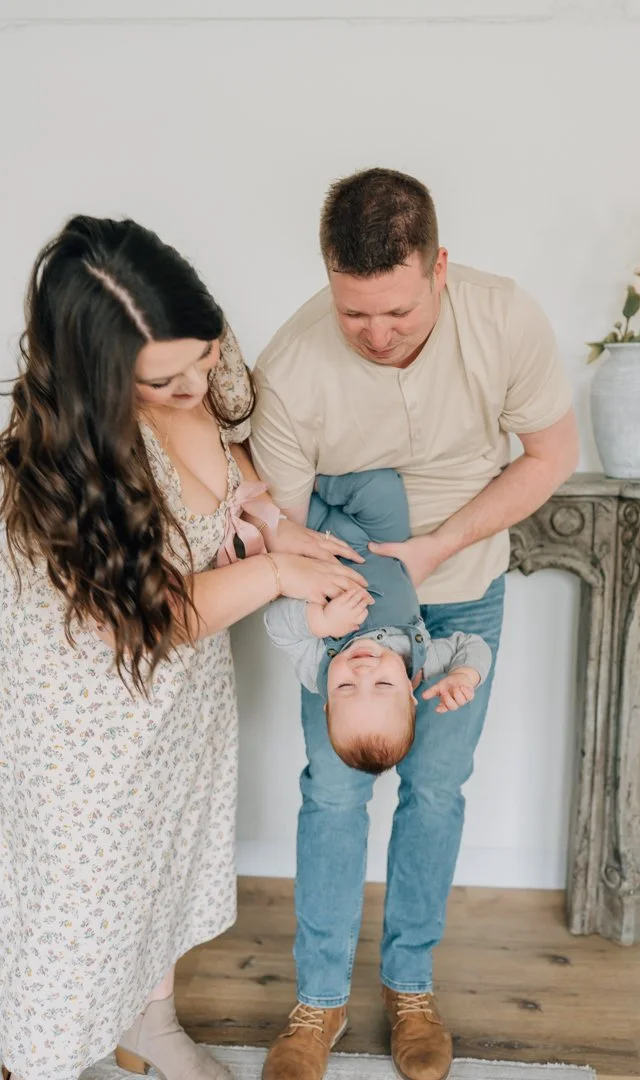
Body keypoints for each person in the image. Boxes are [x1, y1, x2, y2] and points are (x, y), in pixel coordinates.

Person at [0, 216, 366, 1080]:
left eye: (204, 357)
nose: (200, 382)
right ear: (98, 377)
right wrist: (276, 571)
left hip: (180, 697)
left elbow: (231, 456)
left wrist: (272, 519)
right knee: (78, 909)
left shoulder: (197, 356)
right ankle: (43, 1057)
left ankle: (149, 1026)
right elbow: (146, 618)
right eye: (166, 379)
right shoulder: (52, 468)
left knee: (159, 871)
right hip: (86, 721)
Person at [250, 168, 579, 1080]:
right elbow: (275, 527)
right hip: (346, 612)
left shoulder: (503, 318)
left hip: (466, 582)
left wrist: (436, 548)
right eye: (355, 314)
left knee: (436, 788)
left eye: (398, 312)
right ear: (327, 277)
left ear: (440, 266)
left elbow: (552, 453)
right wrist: (321, 602)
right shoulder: (291, 366)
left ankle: (411, 985)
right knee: (333, 790)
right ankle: (316, 1001)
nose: (377, 335)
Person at [264, 469, 492, 773]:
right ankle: (319, 480)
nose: (362, 671)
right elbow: (471, 644)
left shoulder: (313, 667)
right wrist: (465, 675)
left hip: (311, 543)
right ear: (410, 694)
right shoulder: (421, 661)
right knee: (382, 488)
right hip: (375, 540)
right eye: (383, 683)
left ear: (328, 704)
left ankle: (303, 481)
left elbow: (276, 624)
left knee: (278, 500)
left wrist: (320, 622)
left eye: (345, 686)